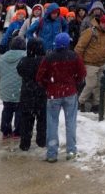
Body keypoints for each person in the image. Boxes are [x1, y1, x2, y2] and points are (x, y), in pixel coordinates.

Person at [35, 31, 86, 162]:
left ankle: (52, 153)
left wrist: (48, 86)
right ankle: (71, 151)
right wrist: (75, 84)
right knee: (71, 122)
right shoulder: (74, 56)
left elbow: (40, 76)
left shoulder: (49, 57)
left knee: (52, 123)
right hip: (70, 92)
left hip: (53, 93)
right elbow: (82, 73)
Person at [74, 10, 105, 111]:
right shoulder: (90, 31)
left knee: (99, 85)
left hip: (101, 62)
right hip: (90, 63)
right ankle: (81, 101)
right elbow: (79, 47)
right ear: (101, 23)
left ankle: (96, 103)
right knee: (91, 84)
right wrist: (79, 63)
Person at [16, 38, 47, 152]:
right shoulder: (44, 61)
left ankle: (25, 144)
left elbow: (19, 70)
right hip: (41, 94)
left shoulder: (24, 61)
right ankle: (41, 141)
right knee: (42, 120)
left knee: (26, 120)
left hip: (27, 94)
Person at [0, 35, 27, 140]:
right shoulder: (25, 56)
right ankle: (17, 132)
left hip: (6, 89)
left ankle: (5, 131)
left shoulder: (3, 57)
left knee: (7, 110)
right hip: (19, 89)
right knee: (19, 111)